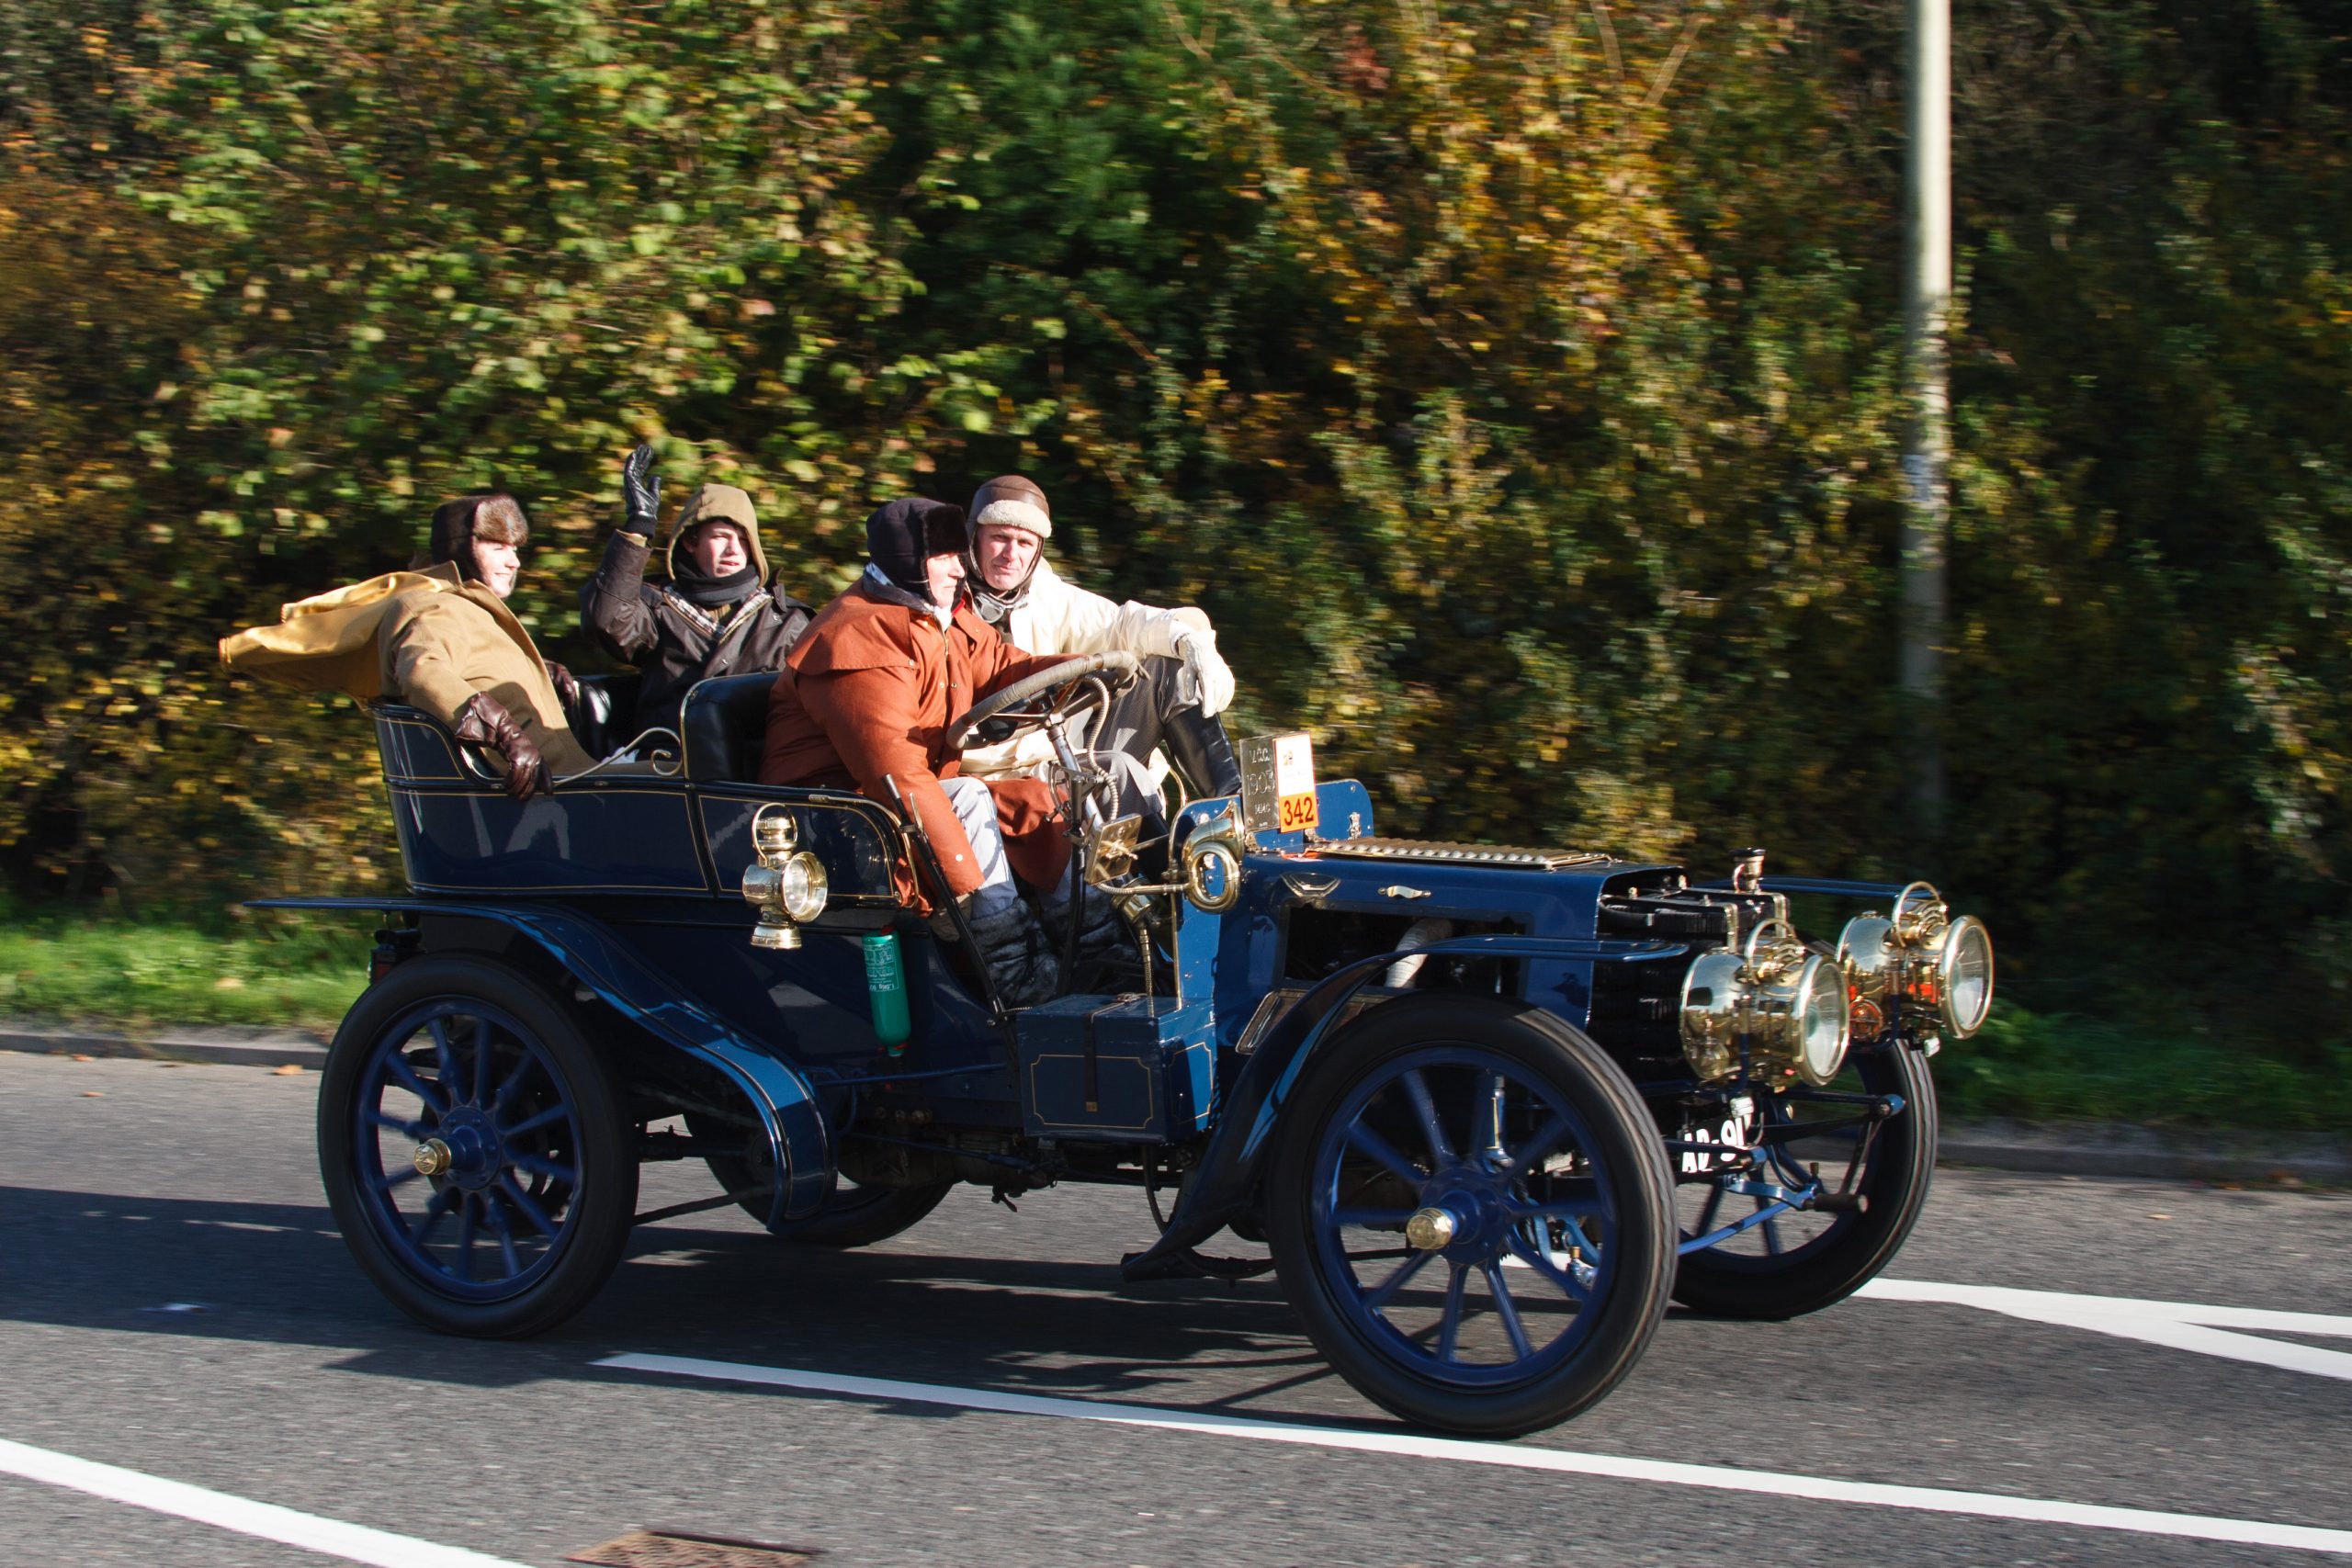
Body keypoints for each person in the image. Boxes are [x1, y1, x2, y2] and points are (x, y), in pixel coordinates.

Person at [760, 498, 1087, 1007]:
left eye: (960, 555)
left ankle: (1093, 944)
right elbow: (895, 775)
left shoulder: (941, 618)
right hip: (833, 821)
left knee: (1038, 800)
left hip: (905, 798)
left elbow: (1004, 667)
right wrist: (957, 885)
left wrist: (1079, 670)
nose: (962, 569)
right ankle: (1014, 970)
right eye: (947, 557)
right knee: (970, 799)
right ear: (909, 562)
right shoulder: (856, 636)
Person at [960, 474, 1242, 813]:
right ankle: (1158, 863)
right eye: (1000, 538)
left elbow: (1124, 623)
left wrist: (1190, 640)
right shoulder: (943, 598)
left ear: (1038, 550)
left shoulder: (1045, 593)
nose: (1011, 555)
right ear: (974, 537)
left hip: (1062, 757)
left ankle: (1234, 812)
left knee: (1168, 668)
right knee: (1115, 771)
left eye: (1024, 543)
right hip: (985, 780)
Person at [579, 445, 815, 732]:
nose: (734, 550)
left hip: (758, 769)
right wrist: (638, 527)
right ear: (690, 542)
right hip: (669, 762)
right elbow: (607, 622)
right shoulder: (658, 608)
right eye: (720, 537)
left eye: (743, 540)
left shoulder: (787, 619)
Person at [380, 493, 596, 795]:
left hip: (571, 781)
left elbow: (476, 663)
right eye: (498, 548)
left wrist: (536, 672)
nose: (514, 562)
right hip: (556, 789)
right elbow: (422, 672)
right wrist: (505, 734)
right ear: (460, 551)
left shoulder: (475, 609)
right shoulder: (434, 607)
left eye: (515, 549)